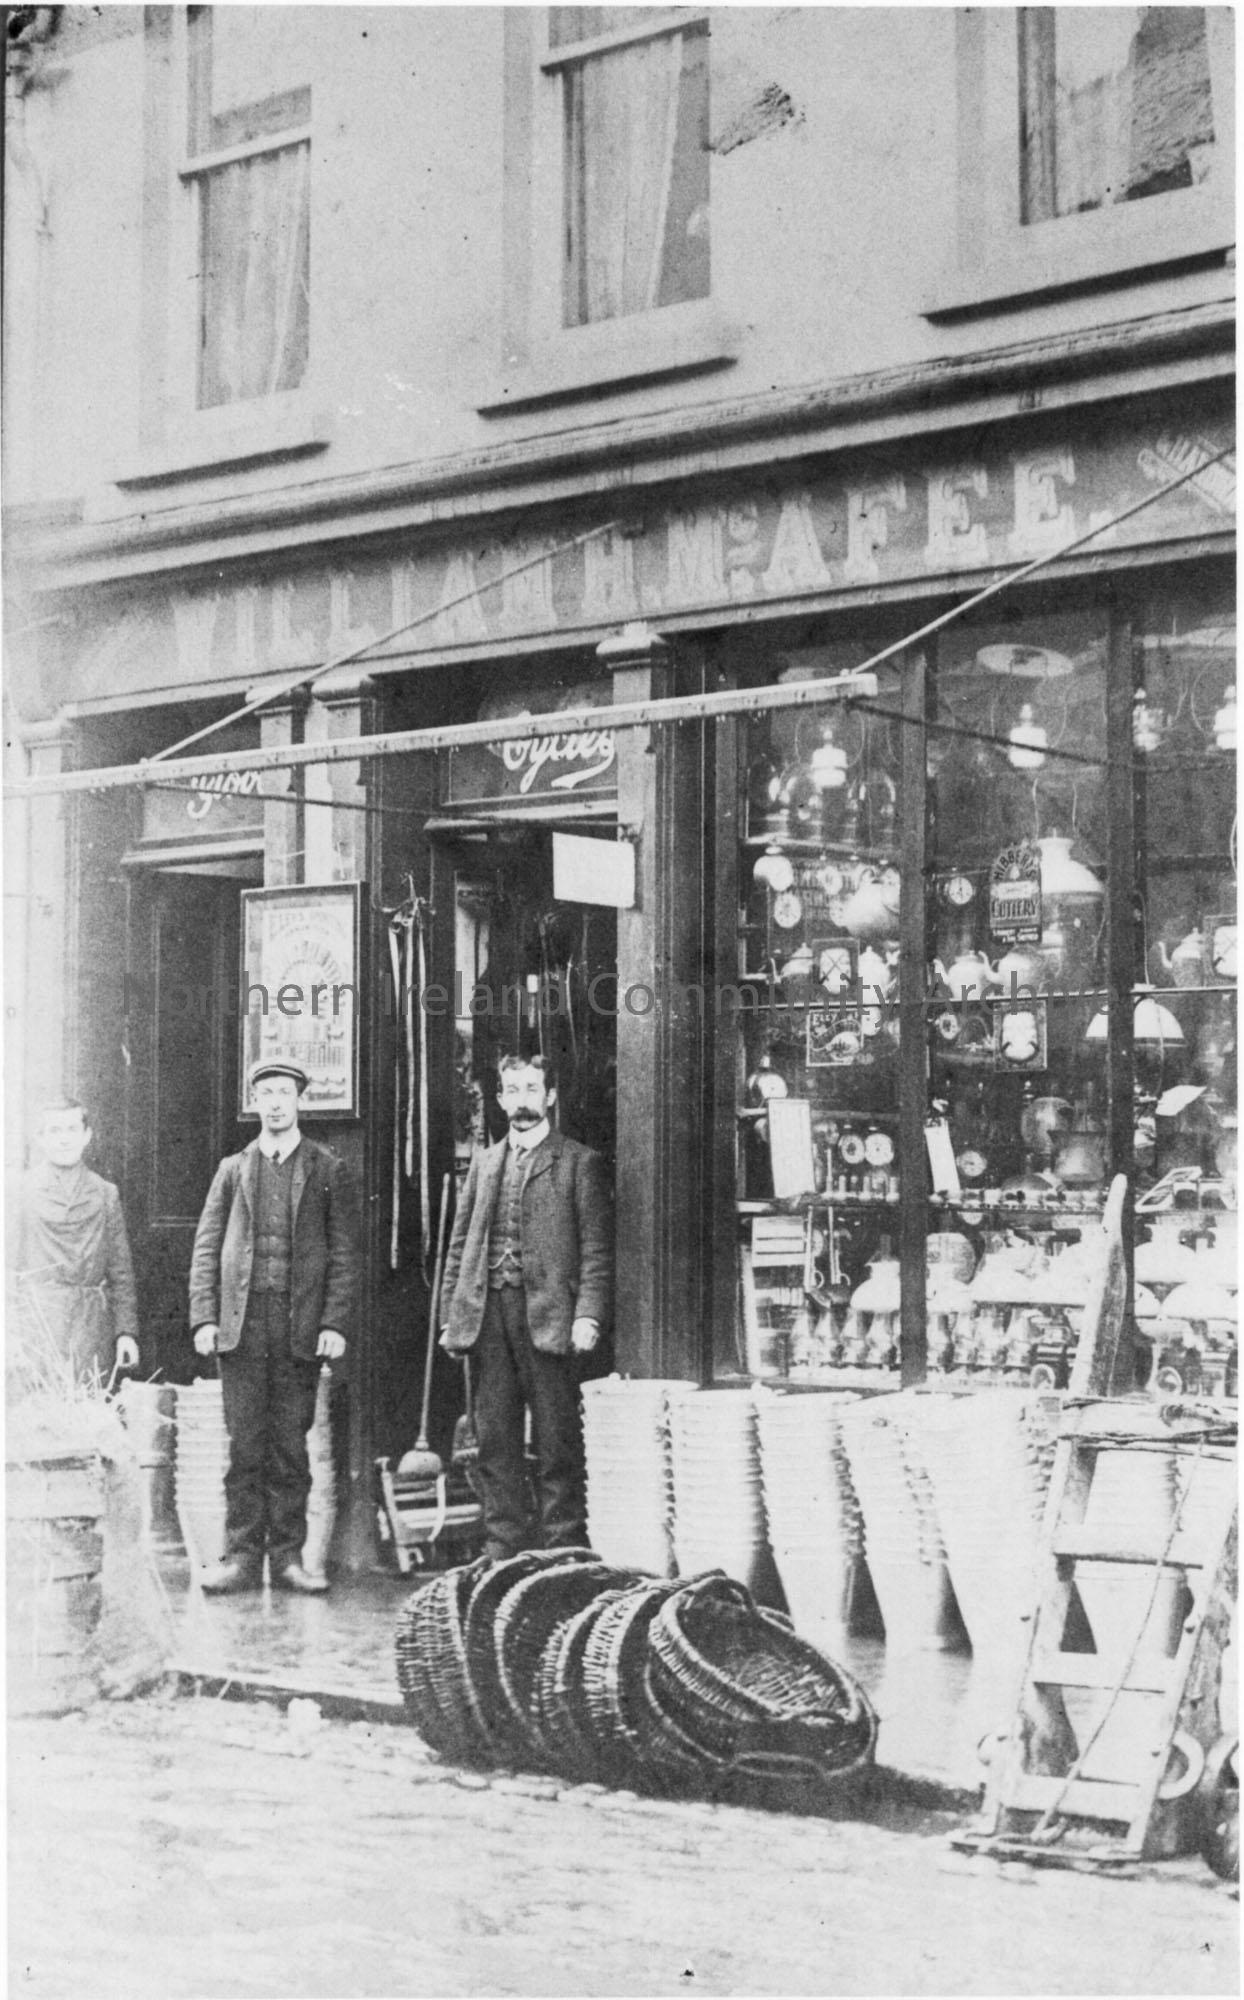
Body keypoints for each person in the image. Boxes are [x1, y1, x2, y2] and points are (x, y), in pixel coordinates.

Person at [189, 1059, 360, 1595]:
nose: (277, 1103)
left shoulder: (326, 1168)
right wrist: (205, 1317)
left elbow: (343, 1254)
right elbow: (206, 1248)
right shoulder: (232, 1169)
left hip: (297, 1327)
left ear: (299, 1100)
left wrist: (333, 1321)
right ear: (255, 1101)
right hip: (242, 1327)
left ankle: (288, 1559)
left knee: (290, 1446)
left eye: (285, 1092)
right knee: (244, 1446)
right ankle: (241, 1558)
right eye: (267, 1093)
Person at [439, 1054, 612, 1562]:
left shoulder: (579, 1162)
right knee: (495, 1437)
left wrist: (588, 1314)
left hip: (551, 1316)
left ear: (550, 1096)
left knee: (558, 1438)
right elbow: (459, 1246)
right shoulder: (485, 1162)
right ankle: (504, 1545)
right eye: (512, 1090)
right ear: (499, 1099)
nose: (522, 1100)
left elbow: (597, 1250)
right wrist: (451, 1317)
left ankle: (564, 1547)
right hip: (487, 1313)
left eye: (532, 1089)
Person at [10, 1098, 140, 1386]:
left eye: (72, 1129)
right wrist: (10, 1336)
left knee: (91, 1404)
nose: (64, 1139)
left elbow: (121, 1271)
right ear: (40, 1138)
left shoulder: (105, 1193)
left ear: (87, 1136)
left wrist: (126, 1333)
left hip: (90, 1327)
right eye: (55, 1130)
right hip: (39, 1326)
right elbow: (6, 1268)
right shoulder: (21, 1190)